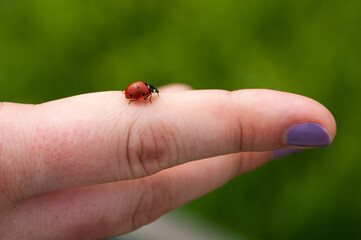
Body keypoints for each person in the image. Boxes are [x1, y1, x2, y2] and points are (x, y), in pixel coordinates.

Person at [0, 84, 336, 239]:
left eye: (146, 94)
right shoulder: (141, 93)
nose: (147, 96)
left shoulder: (142, 93)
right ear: (145, 92)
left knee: (135, 202)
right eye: (147, 94)